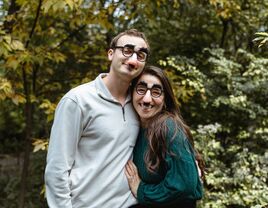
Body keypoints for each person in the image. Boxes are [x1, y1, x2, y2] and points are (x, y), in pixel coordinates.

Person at [44, 29, 150, 208]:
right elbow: (56, 170)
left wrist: (186, 158)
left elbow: (162, 133)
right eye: (127, 50)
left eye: (141, 55)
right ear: (110, 53)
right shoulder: (78, 100)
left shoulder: (140, 103)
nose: (133, 59)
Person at [125, 65, 204, 208]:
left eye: (156, 92)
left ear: (165, 99)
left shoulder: (169, 127)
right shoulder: (136, 127)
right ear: (131, 93)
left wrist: (141, 190)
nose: (147, 99)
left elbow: (184, 185)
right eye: (141, 89)